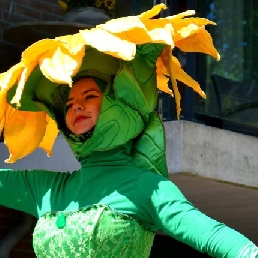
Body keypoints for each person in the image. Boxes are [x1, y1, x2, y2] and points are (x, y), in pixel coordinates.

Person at [0, 4, 257, 258]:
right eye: (68, 103)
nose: (76, 105)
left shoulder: (146, 187)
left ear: (122, 102)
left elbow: (214, 236)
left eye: (89, 96)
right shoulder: (44, 187)